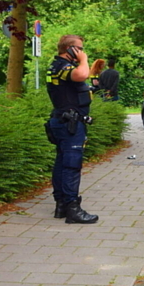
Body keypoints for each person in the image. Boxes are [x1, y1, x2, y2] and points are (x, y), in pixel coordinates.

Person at [46, 35, 99, 224]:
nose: (82, 52)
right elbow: (80, 75)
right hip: (70, 125)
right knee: (71, 165)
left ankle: (61, 205)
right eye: (80, 48)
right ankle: (72, 209)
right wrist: (83, 60)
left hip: (63, 120)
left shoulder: (56, 66)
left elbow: (77, 85)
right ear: (70, 49)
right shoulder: (63, 67)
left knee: (62, 163)